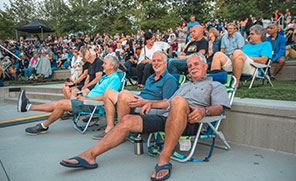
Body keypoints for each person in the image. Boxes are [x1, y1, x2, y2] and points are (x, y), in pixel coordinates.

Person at [59, 53, 230, 181]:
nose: (191, 67)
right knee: (126, 120)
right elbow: (168, 102)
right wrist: (151, 104)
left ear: (205, 66)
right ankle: (90, 156)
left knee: (179, 101)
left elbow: (220, 108)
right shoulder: (185, 85)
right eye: (189, 65)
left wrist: (204, 111)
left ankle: (163, 159)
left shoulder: (215, 85)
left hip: (190, 120)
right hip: (165, 117)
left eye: (195, 64)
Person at [17, 55, 122, 135]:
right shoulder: (105, 77)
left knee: (61, 104)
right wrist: (85, 92)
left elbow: (106, 97)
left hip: (94, 105)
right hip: (87, 99)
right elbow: (98, 91)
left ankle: (29, 108)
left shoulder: (114, 78)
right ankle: (40, 122)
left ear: (112, 66)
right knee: (60, 104)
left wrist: (86, 98)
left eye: (105, 63)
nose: (102, 65)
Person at [93, 51, 178, 138]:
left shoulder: (169, 80)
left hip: (148, 104)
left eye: (159, 61)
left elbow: (167, 103)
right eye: (154, 61)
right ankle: (110, 128)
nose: (156, 63)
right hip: (138, 100)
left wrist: (144, 102)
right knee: (108, 92)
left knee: (124, 94)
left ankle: (120, 133)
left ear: (166, 63)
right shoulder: (150, 78)